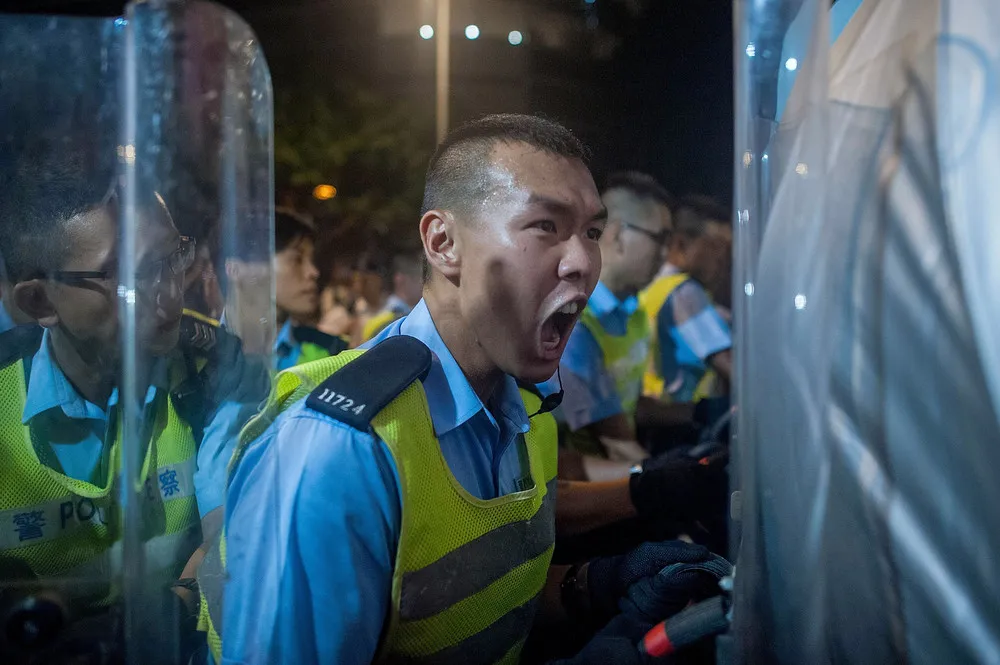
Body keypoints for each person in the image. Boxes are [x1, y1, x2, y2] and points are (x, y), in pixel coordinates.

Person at [214, 114, 714, 665]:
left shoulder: (529, 403)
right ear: (443, 242)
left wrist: (592, 585)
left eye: (591, 233)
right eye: (546, 226)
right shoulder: (337, 450)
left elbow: (485, 593)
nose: (582, 263)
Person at [0, 151, 268, 657]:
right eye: (131, 276)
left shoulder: (210, 371)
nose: (169, 296)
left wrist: (178, 603)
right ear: (39, 301)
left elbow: (233, 541)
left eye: (174, 258)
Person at [640, 195, 733, 405]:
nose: (723, 259)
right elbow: (731, 366)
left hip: (652, 411)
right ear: (682, 243)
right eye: (717, 247)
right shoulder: (685, 292)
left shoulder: (653, 286)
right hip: (682, 419)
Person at [272, 208, 348, 370]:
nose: (313, 272)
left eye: (311, 260)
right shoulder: (209, 347)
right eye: (297, 259)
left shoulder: (333, 353)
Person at [360, 252, 424, 342]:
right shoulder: (383, 319)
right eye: (417, 279)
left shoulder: (415, 313)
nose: (423, 286)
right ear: (400, 279)